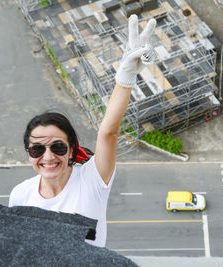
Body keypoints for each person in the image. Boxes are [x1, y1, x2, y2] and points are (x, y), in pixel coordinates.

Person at [8, 15, 157, 248]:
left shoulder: (92, 180)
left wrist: (126, 75)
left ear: (70, 150)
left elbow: (108, 132)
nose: (47, 157)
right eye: (37, 149)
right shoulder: (20, 195)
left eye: (57, 147)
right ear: (28, 153)